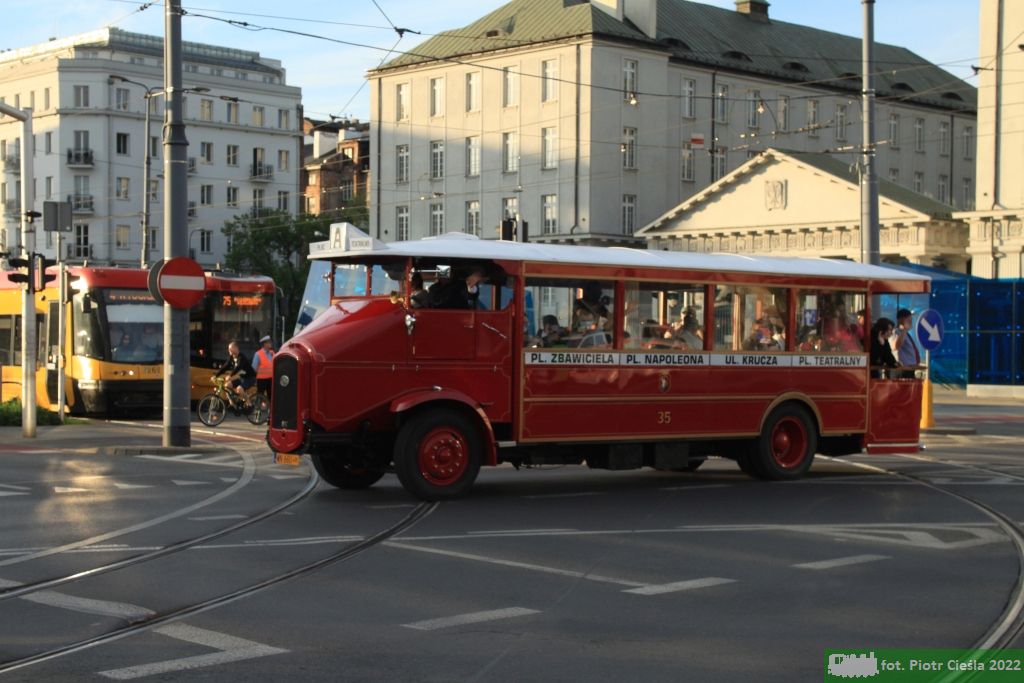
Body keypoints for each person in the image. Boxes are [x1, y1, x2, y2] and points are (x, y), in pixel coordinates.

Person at [214, 341, 255, 406]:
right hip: (241, 378)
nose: (229, 350)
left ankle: (249, 404)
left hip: (249, 378)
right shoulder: (231, 357)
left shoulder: (241, 357)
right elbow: (225, 367)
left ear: (236, 348)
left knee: (239, 389)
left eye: (230, 348)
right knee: (227, 385)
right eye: (228, 348)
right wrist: (216, 375)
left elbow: (238, 367)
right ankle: (233, 403)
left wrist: (230, 375)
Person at [892, 308, 921, 377]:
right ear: (901, 320)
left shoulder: (906, 334)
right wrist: (904, 329)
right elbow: (896, 346)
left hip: (910, 369)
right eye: (908, 320)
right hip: (903, 370)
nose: (910, 322)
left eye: (911, 320)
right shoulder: (896, 332)